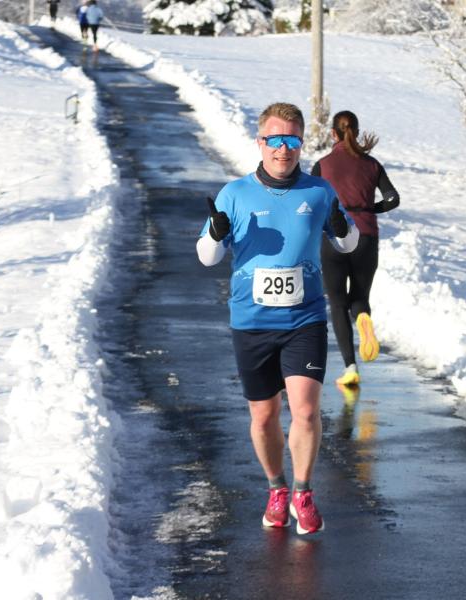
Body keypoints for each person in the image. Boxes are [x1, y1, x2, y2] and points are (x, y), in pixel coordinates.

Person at [196, 102, 358, 535]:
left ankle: (303, 492)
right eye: (274, 140)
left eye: (291, 140)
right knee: (264, 415)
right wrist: (214, 232)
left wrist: (343, 225)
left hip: (304, 320)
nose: (283, 150)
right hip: (251, 321)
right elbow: (208, 257)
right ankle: (277, 489)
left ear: (301, 143)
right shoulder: (235, 193)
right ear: (260, 142)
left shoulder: (319, 192)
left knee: (305, 411)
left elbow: (346, 245)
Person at [311, 110, 400, 387]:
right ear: (357, 132)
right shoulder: (372, 165)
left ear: (333, 134)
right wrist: (369, 208)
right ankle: (363, 318)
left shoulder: (323, 165)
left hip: (334, 238)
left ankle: (350, 367)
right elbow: (393, 198)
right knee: (359, 297)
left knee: (337, 303)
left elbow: (312, 204)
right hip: (366, 235)